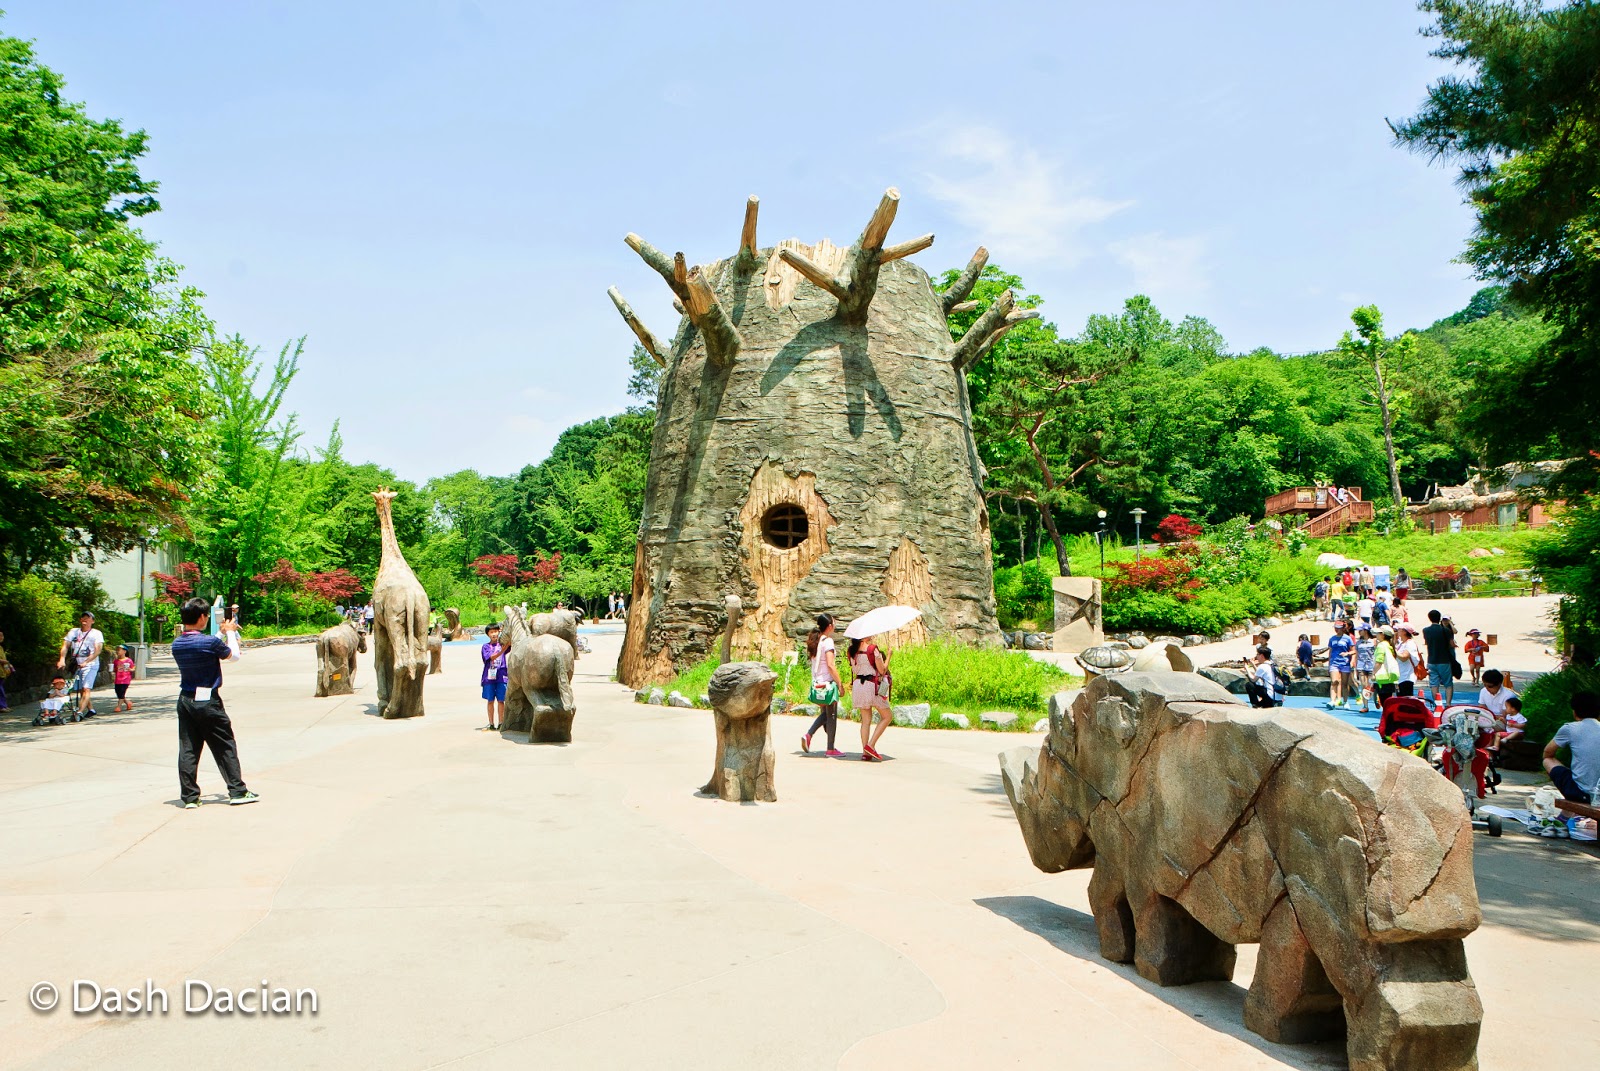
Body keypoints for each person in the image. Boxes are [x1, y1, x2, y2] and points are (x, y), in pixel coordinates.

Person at [171, 596, 258, 808]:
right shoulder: (208, 642)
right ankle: (237, 790)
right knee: (224, 745)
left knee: (188, 748)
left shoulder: (177, 644)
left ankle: (190, 797)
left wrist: (220, 633)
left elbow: (207, 645)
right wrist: (229, 632)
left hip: (185, 700)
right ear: (202, 617)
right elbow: (233, 656)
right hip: (208, 701)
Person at [1543, 690, 1600, 804]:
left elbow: (1547, 753)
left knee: (1547, 760)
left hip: (1580, 793)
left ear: (1574, 712)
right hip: (1598, 794)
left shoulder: (1570, 728)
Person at [801, 615, 842, 756]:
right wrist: (840, 683)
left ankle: (830, 747)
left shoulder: (816, 640)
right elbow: (830, 665)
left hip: (818, 683)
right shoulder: (828, 641)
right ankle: (810, 735)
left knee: (827, 715)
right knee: (830, 715)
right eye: (834, 622)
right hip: (828, 684)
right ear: (829, 626)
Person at [849, 636, 891, 761]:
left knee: (866, 721)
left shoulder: (851, 651)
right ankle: (871, 745)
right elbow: (882, 670)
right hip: (872, 686)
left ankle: (865, 752)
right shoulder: (872, 649)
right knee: (887, 716)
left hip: (858, 685)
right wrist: (889, 655)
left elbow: (854, 669)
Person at [57, 611, 104, 721]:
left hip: (91, 664)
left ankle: (79, 712)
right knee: (80, 689)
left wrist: (86, 662)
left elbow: (98, 650)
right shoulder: (74, 632)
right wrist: (62, 659)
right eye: (83, 617)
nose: (85, 619)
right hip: (77, 664)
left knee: (86, 688)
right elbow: (65, 646)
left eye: (88, 618)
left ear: (92, 621)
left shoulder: (96, 633)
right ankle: (91, 710)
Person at [1420, 609, 1456, 708]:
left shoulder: (1426, 630)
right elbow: (1452, 644)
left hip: (1431, 659)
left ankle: (1437, 704)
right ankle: (1448, 703)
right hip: (1444, 660)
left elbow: (1427, 642)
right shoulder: (1446, 630)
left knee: (1434, 683)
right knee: (1448, 683)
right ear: (1439, 618)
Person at [480, 622, 509, 730]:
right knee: (490, 700)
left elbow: (511, 642)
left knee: (501, 700)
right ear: (488, 634)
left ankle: (501, 722)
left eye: (496, 631)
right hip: (489, 677)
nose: (494, 634)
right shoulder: (485, 647)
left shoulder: (503, 644)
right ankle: (491, 723)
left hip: (501, 676)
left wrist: (504, 630)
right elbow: (490, 657)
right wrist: (502, 650)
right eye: (491, 632)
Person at [1326, 622, 1354, 710]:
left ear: (1342, 628)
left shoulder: (1348, 638)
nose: (1336, 629)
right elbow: (1330, 651)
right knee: (1335, 681)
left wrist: (1347, 654)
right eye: (1335, 628)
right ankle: (1332, 701)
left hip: (1344, 663)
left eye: (1338, 628)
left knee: (1345, 684)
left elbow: (1354, 651)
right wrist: (1329, 662)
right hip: (1334, 662)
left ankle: (1345, 701)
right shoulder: (1332, 639)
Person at [1372, 626, 1401, 704]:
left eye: (1379, 633)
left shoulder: (1381, 646)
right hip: (1390, 677)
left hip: (1382, 679)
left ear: (1383, 635)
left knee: (1384, 702)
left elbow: (1379, 661)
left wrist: (1373, 673)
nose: (1377, 634)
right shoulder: (1389, 645)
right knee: (1388, 702)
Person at [1394, 624, 1424, 698]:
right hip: (1401, 676)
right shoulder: (1401, 643)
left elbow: (1404, 657)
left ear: (1404, 632)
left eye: (1400, 629)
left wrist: (1394, 650)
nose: (1398, 631)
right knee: (1401, 699)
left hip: (1406, 677)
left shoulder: (1410, 644)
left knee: (1406, 700)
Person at [1353, 627, 1377, 712]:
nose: (1359, 632)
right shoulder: (1358, 642)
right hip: (1361, 665)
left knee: (1371, 685)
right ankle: (1365, 706)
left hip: (1371, 665)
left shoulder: (1374, 641)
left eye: (1361, 630)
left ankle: (1376, 698)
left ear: (1366, 631)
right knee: (1364, 685)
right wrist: (1355, 666)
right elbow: (1356, 654)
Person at [111, 645, 135, 712]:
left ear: (124, 651)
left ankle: (118, 707)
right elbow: (115, 669)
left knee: (122, 692)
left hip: (125, 679)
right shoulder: (116, 661)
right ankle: (128, 703)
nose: (117, 651)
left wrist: (130, 669)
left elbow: (133, 668)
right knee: (118, 693)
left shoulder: (129, 660)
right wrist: (113, 669)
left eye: (119, 650)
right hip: (118, 680)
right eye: (117, 650)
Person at [0, 628, 11, 712]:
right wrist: (3, 661)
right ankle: (2, 706)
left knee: (1, 689)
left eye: (2, 635)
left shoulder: (1, 647)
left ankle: (3, 705)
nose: (1, 637)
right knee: (0, 690)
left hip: (2, 672)